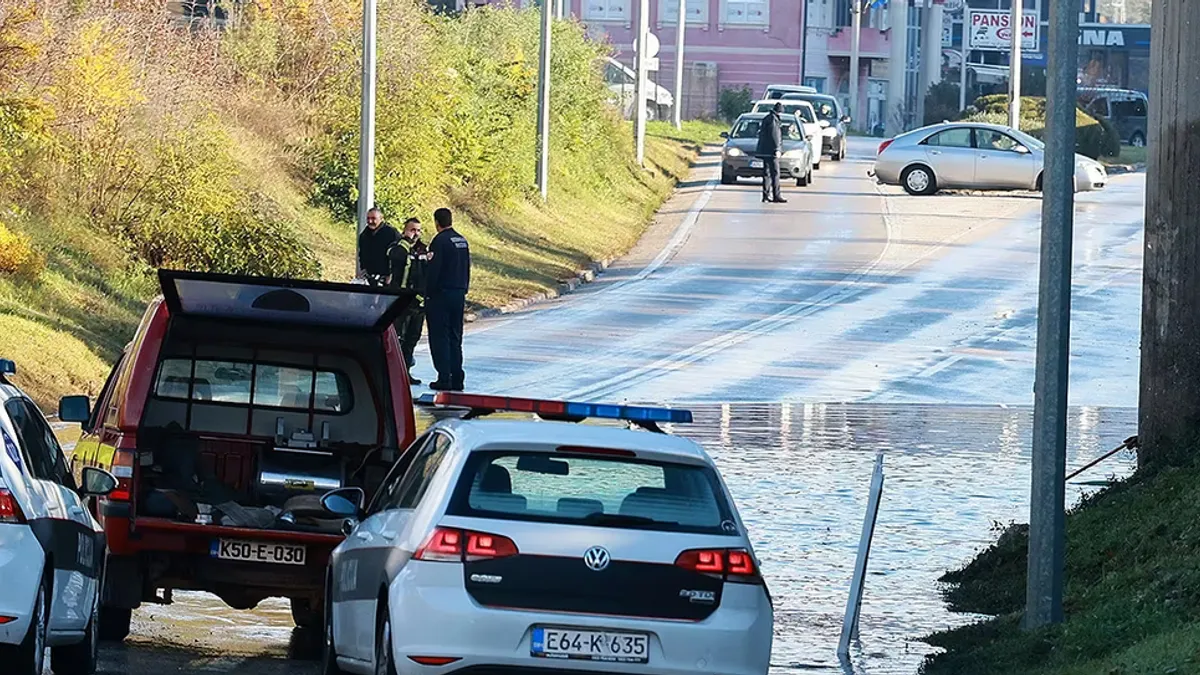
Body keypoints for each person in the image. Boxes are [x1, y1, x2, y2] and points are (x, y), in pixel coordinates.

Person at [425, 208, 470, 391]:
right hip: (458, 293)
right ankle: (457, 375)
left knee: (439, 337)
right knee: (455, 336)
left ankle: (444, 377)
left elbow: (434, 270)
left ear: (437, 222)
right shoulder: (462, 240)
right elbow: (467, 266)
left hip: (441, 295)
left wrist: (427, 293)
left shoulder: (439, 241)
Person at [387, 218, 429, 384]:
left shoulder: (423, 249)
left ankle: (406, 373)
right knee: (399, 338)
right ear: (404, 231)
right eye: (412, 230)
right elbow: (394, 257)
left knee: (413, 338)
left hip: (418, 302)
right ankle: (394, 374)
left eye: (418, 230)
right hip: (402, 301)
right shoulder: (398, 247)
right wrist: (406, 243)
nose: (416, 234)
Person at [357, 207, 400, 286]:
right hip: (369, 277)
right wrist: (363, 270)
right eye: (368, 218)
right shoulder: (364, 235)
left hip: (386, 278)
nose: (370, 221)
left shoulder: (391, 233)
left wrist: (391, 274)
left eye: (373, 218)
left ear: (381, 219)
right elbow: (361, 255)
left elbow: (398, 256)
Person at [757, 103, 786, 204]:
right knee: (775, 174)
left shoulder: (767, 118)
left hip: (765, 151)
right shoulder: (774, 119)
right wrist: (777, 149)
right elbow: (776, 136)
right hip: (772, 152)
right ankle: (776, 196)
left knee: (766, 174)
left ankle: (765, 196)